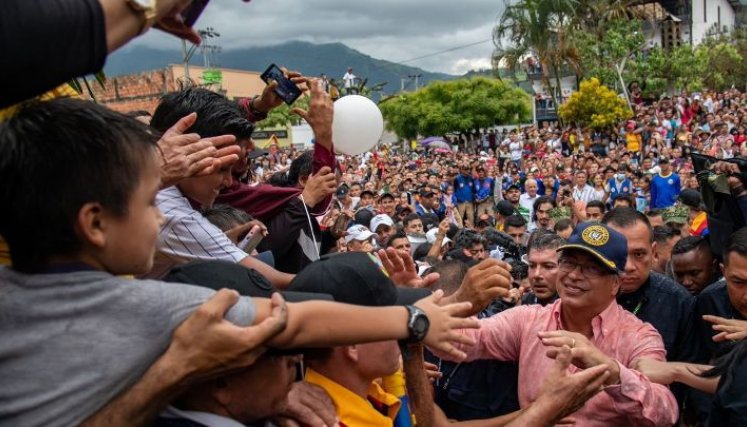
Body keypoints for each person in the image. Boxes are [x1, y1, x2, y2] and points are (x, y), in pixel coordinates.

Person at [0, 99, 479, 427]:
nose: (161, 219)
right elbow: (291, 318)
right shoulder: (147, 306)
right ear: (96, 224)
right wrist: (413, 319)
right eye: (152, 201)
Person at [431, 222, 679, 425]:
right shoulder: (528, 320)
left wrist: (612, 372)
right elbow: (452, 342)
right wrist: (461, 299)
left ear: (615, 284)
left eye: (591, 268)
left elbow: (665, 413)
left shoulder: (638, 336)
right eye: (569, 262)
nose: (573, 275)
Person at [144, 88, 294, 287]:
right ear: (186, 153)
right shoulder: (173, 214)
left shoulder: (163, 196)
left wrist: (220, 240)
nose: (229, 182)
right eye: (222, 169)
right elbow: (273, 280)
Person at [602, 208, 696, 363]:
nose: (628, 266)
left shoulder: (678, 301)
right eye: (618, 255)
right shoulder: (579, 293)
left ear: (654, 253)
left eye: (639, 254)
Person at [522, 231, 562, 306]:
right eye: (532, 266)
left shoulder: (576, 308)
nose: (537, 275)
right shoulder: (523, 303)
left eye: (548, 267)